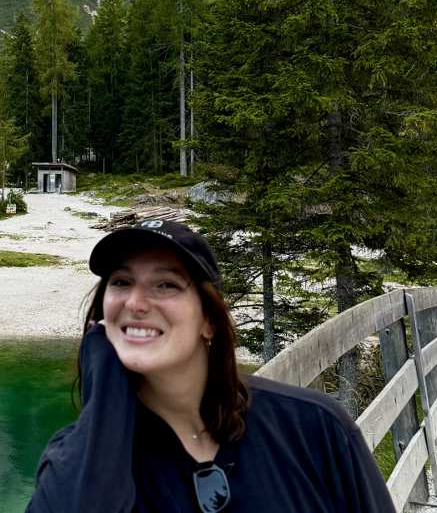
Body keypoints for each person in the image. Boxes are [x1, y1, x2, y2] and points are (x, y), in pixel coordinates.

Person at [26, 219, 396, 512]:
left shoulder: (313, 429)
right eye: (122, 282)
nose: (136, 302)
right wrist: (103, 373)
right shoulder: (76, 459)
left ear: (209, 321)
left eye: (166, 285)